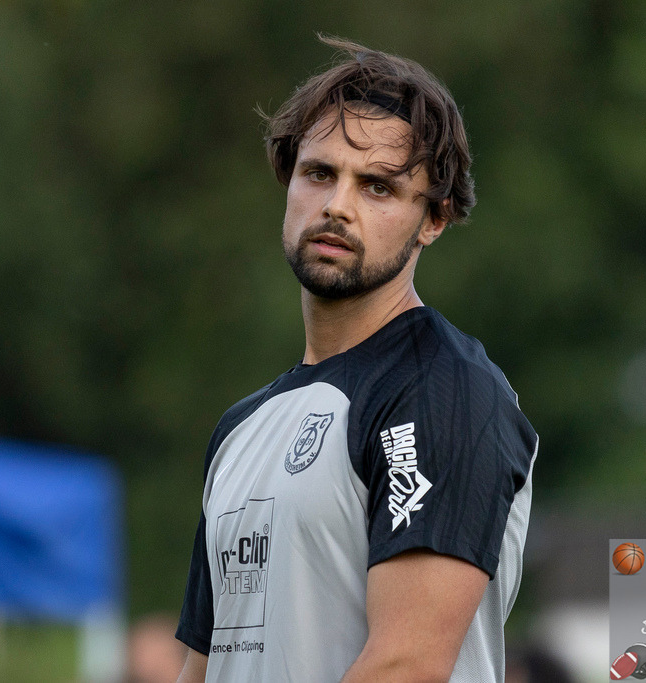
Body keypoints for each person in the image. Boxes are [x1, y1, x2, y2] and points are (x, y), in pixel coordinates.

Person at [175, 34, 538, 683]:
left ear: (434, 219)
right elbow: (205, 668)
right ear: (289, 180)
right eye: (320, 173)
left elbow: (405, 666)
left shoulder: (445, 391)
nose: (337, 206)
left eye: (377, 187)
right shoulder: (240, 429)